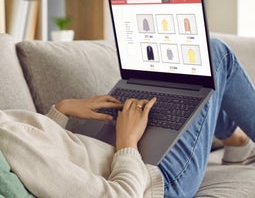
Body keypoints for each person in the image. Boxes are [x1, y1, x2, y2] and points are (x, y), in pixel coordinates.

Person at [0, 38, 255, 198]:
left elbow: (37, 151)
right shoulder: (9, 144)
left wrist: (62, 110)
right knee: (216, 55)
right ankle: (238, 142)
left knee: (181, 90)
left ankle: (236, 142)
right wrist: (127, 142)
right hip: (157, 181)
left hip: (120, 158)